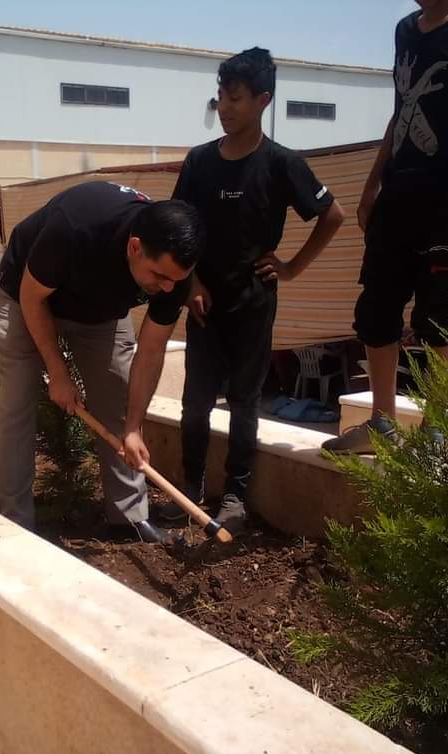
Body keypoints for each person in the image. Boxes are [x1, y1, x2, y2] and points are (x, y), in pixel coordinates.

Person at [323, 0, 448, 455]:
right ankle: (381, 423)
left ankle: (435, 430)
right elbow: (401, 111)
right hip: (398, 193)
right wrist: (372, 183)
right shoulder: (406, 30)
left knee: (444, 313)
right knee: (376, 307)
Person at [168, 47, 345, 533]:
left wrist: (291, 268)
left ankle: (235, 497)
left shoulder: (281, 163)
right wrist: (191, 281)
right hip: (204, 304)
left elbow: (332, 215)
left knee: (246, 402)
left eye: (236, 98)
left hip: (253, 302)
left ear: (263, 100)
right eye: (221, 97)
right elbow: (179, 224)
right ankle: (189, 491)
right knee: (195, 403)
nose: (225, 107)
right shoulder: (200, 161)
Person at [0, 180, 204, 542]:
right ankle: (16, 524)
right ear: (135, 247)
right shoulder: (76, 227)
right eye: (159, 277)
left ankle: (129, 519)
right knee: (18, 404)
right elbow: (32, 297)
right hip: (28, 298)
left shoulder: (174, 276)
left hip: (100, 311)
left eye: (176, 280)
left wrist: (133, 427)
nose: (168, 288)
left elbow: (151, 351)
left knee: (116, 401)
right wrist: (57, 371)